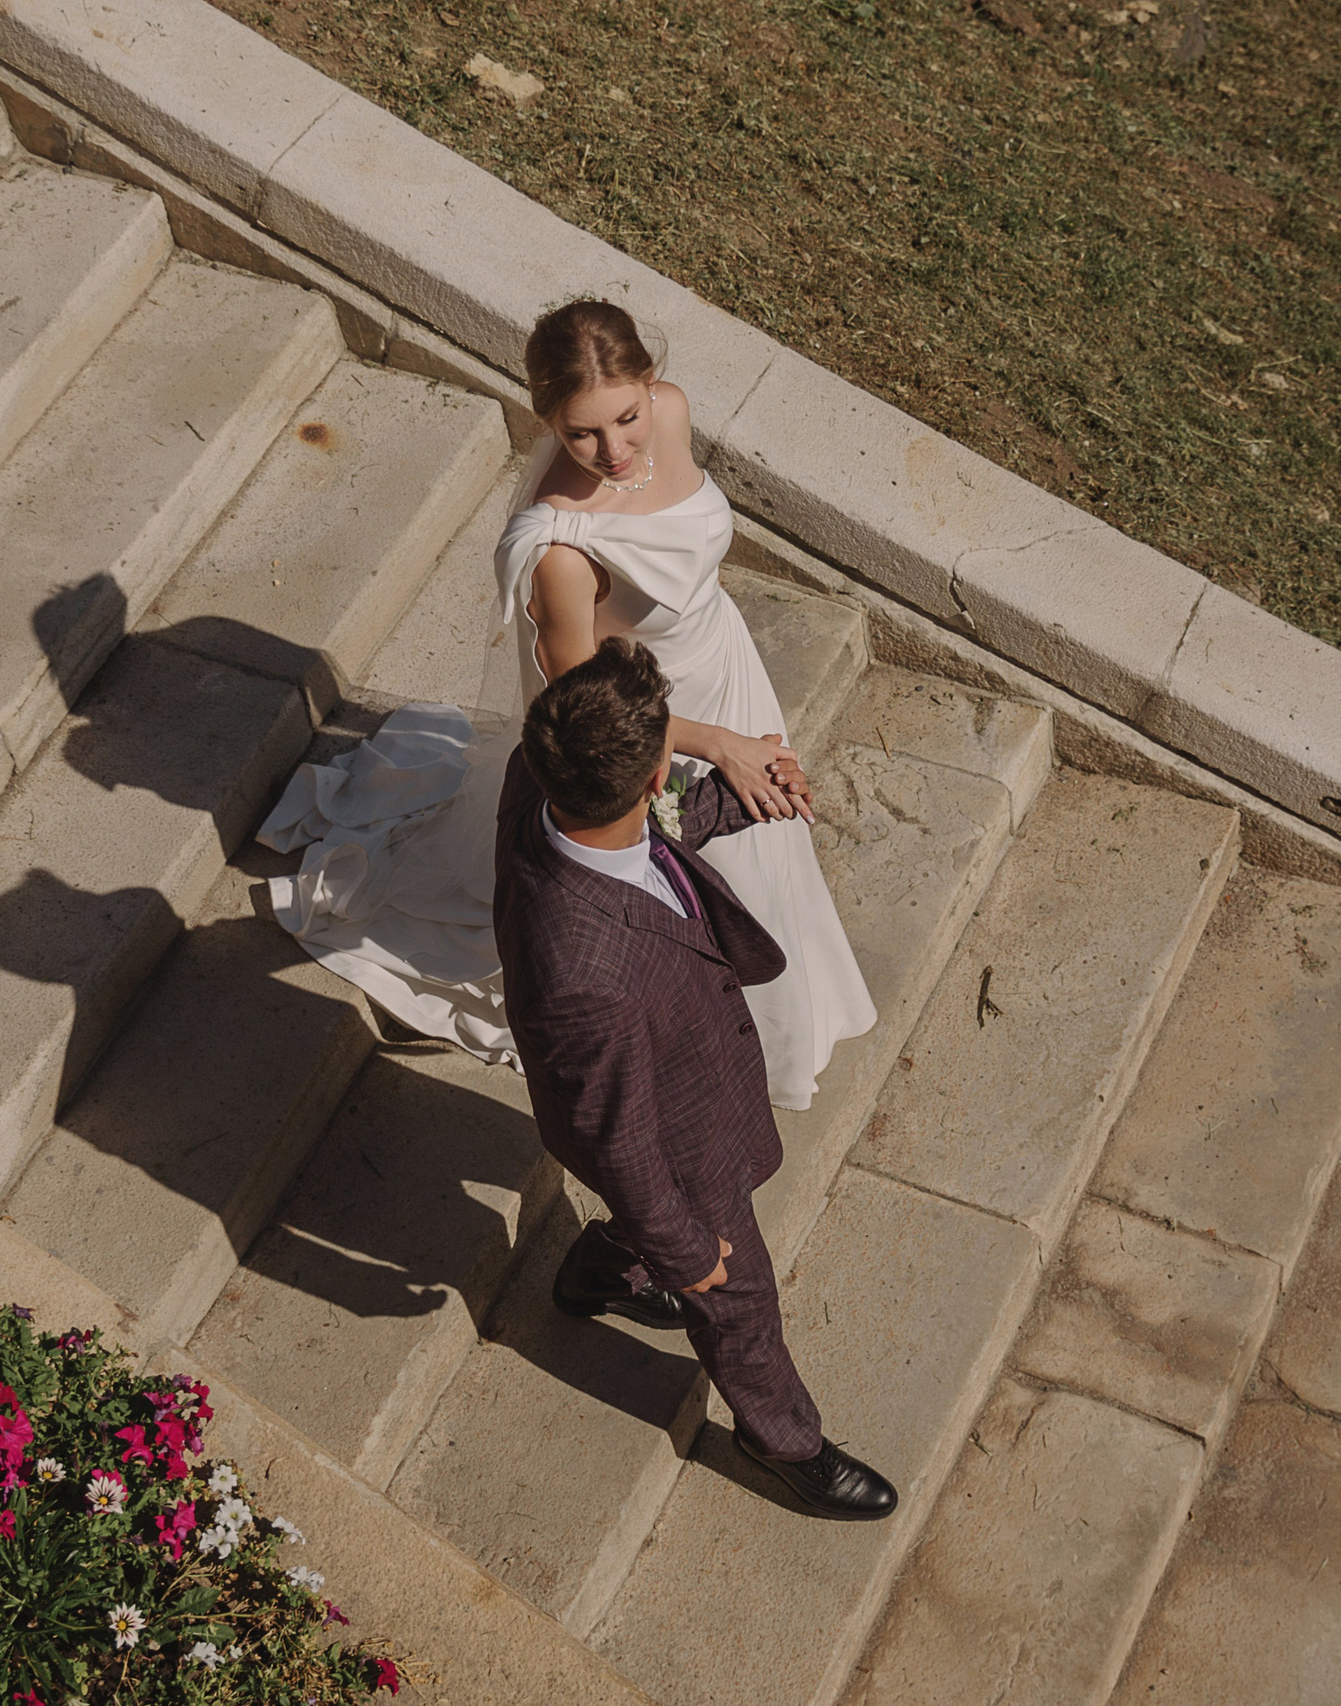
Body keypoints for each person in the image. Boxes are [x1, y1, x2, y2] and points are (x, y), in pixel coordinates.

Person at [259, 299, 875, 1111]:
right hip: (649, 726)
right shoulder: (560, 550)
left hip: (725, 664)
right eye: (581, 433)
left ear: (649, 386)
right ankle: (720, 1043)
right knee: (710, 876)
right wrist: (715, 745)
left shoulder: (672, 410)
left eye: (626, 417)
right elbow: (583, 710)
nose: (614, 450)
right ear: (546, 419)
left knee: (765, 857)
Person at [496, 637, 894, 1520]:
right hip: (674, 1142)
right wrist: (687, 1254)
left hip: (681, 1077)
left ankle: (598, 1275)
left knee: (668, 1247)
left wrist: (736, 801)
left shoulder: (545, 783)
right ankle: (783, 1440)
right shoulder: (586, 980)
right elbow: (617, 1137)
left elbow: (661, 822)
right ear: (644, 782)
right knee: (740, 1295)